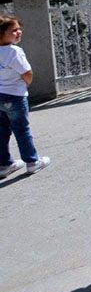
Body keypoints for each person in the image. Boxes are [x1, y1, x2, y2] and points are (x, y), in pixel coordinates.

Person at [0, 16, 50, 179]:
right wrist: (26, 85)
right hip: (15, 96)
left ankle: (4, 164)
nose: (19, 32)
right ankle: (32, 161)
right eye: (13, 30)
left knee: (2, 131)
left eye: (19, 29)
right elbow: (27, 73)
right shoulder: (14, 51)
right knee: (21, 130)